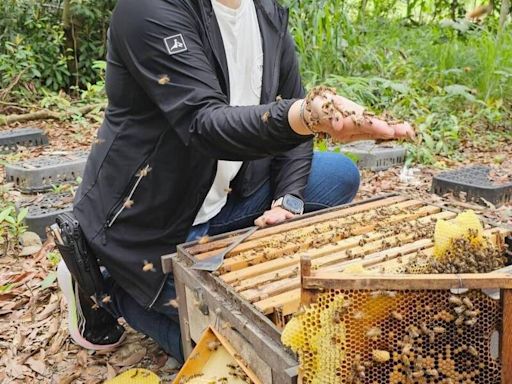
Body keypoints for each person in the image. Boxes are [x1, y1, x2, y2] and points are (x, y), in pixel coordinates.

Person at [56, 0, 414, 362]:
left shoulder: (267, 12)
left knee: (337, 176)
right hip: (153, 222)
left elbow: (293, 116)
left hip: (227, 192)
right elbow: (203, 123)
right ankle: (106, 284)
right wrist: (306, 115)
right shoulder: (148, 8)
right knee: (247, 356)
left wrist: (288, 199)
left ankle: (215, 271)